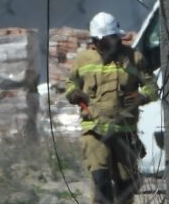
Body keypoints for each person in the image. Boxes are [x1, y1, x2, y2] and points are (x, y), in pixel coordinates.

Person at [65, 12, 158, 204]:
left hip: (125, 133)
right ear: (97, 41)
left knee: (126, 188)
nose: (115, 43)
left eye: (116, 38)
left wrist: (141, 96)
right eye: (109, 40)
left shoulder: (134, 58)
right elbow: (70, 86)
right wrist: (75, 94)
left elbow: (153, 88)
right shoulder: (84, 60)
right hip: (95, 131)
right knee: (101, 183)